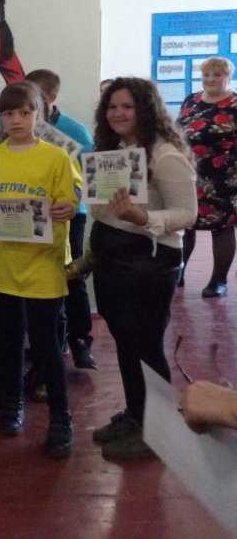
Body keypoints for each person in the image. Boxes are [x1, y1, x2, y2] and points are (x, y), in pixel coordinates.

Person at [0, 81, 81, 459]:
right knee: (8, 341)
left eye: (25, 113)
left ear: (39, 114)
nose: (16, 120)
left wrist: (67, 207)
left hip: (44, 264)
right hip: (4, 265)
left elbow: (70, 199)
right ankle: (12, 405)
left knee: (47, 346)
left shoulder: (56, 157)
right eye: (9, 113)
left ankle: (61, 418)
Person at [89, 77, 196, 460]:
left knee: (146, 347)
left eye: (127, 106)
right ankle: (138, 415)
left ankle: (158, 433)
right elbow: (102, 208)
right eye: (112, 106)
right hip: (112, 262)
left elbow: (188, 214)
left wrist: (143, 217)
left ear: (145, 110)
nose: (117, 113)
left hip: (149, 264)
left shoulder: (165, 155)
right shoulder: (113, 151)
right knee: (126, 344)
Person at [25, 68, 98, 369]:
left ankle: (80, 340)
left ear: (52, 97)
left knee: (71, 274)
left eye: (37, 95)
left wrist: (71, 202)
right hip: (32, 215)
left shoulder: (74, 131)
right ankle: (48, 342)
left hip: (69, 215)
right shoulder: (22, 127)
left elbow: (90, 179)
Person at [177, 57, 237, 298]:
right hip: (188, 175)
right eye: (206, 75)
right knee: (185, 225)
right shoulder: (191, 100)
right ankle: (178, 273)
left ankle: (218, 280)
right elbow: (177, 131)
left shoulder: (234, 104)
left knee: (221, 228)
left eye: (217, 75)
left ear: (228, 77)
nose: (210, 79)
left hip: (223, 178)